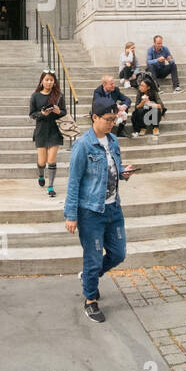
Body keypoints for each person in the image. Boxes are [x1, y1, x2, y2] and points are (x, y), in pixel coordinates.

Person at [64, 97, 138, 323]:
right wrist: (71, 215)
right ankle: (90, 299)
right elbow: (74, 181)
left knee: (118, 254)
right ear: (94, 117)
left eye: (114, 119)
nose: (111, 124)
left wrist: (123, 173)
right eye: (108, 119)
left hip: (113, 208)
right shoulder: (83, 145)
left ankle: (88, 277)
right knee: (94, 258)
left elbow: (111, 170)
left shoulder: (113, 140)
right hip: (91, 212)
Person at [30, 70, 67, 197]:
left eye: (51, 80)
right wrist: (42, 113)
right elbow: (32, 114)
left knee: (51, 160)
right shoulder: (35, 96)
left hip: (54, 130)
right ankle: (41, 174)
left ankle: (50, 187)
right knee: (42, 161)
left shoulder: (59, 96)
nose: (49, 82)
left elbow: (64, 112)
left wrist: (57, 111)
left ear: (54, 82)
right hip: (41, 130)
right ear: (42, 81)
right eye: (47, 80)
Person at [93, 73, 131, 138]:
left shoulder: (115, 90)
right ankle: (105, 131)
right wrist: (116, 106)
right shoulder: (97, 92)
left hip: (112, 110)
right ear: (104, 84)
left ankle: (120, 131)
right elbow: (101, 103)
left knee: (124, 107)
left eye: (113, 83)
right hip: (100, 112)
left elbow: (127, 99)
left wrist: (123, 107)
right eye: (111, 84)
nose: (113, 85)